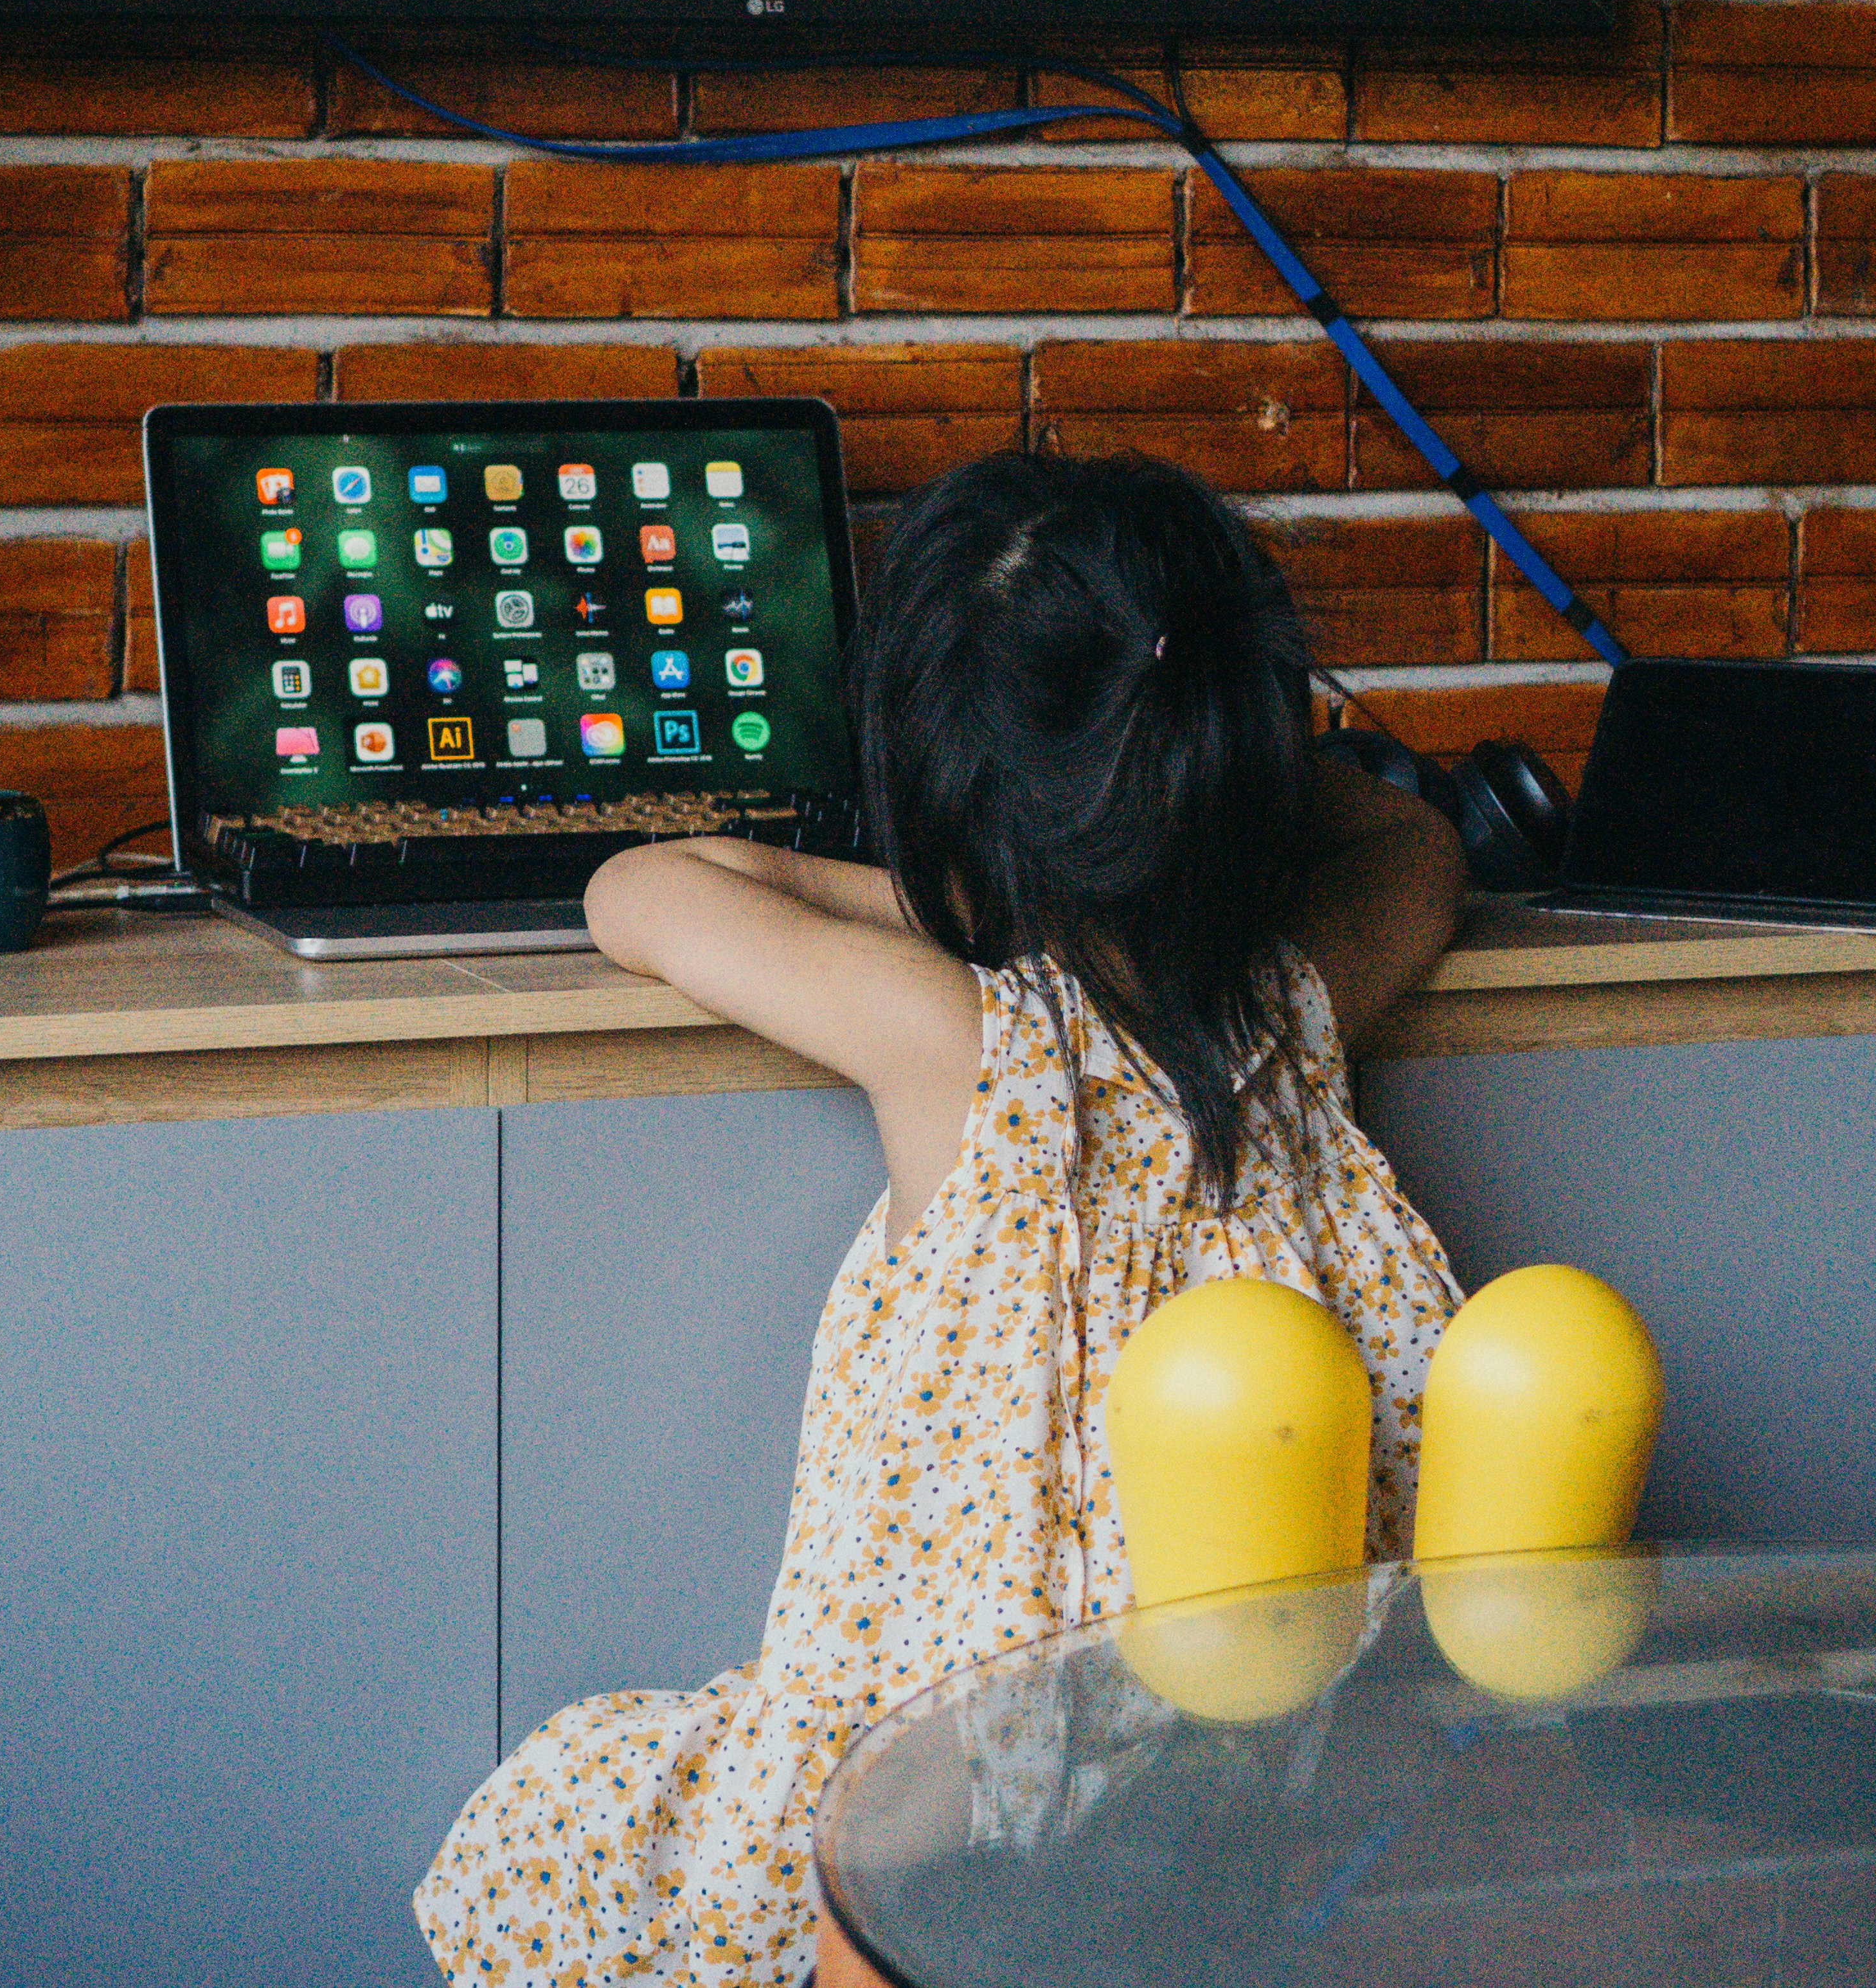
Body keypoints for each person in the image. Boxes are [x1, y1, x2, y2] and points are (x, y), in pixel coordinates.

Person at [416, 454, 1466, 1988]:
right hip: (1249, 1759)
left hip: (955, 1769)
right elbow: (1421, 848)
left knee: (588, 1823)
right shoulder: (1297, 997)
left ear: (941, 783)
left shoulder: (952, 1033)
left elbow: (638, 886)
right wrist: (1200, 786)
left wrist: (957, 892)